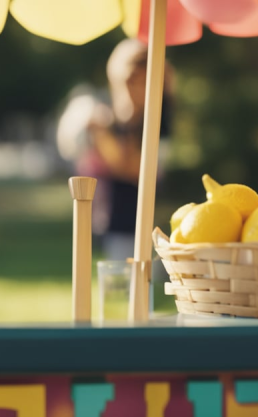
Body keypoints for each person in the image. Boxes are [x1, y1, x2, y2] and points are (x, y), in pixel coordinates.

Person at [57, 38, 173, 261]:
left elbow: (133, 169)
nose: (133, 90)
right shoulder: (114, 118)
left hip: (139, 223)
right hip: (111, 220)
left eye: (140, 81)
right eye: (128, 81)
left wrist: (102, 135)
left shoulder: (160, 120)